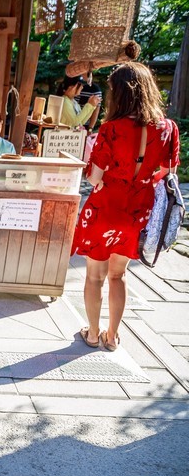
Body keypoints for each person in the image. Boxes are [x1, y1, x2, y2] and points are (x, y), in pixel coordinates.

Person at [71, 62, 180, 352]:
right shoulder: (168, 128)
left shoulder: (111, 129)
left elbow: (94, 176)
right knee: (118, 275)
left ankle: (92, 334)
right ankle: (112, 336)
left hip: (106, 206)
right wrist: (141, 180)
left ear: (119, 93)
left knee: (95, 276)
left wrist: (109, 179)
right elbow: (166, 172)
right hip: (138, 210)